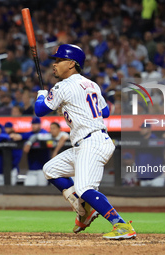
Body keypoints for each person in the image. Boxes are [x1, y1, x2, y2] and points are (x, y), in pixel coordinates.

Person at [34, 44, 136, 239]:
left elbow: (40, 110)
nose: (54, 65)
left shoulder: (63, 86)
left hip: (92, 142)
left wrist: (41, 96)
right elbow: (105, 112)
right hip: (88, 141)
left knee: (84, 188)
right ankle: (85, 209)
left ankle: (121, 225)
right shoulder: (91, 84)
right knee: (51, 169)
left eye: (59, 60)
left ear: (72, 64)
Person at [10, 117, 51, 186]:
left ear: (40, 124)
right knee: (28, 187)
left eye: (36, 124)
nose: (34, 126)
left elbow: (41, 136)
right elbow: (18, 136)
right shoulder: (29, 133)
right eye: (33, 124)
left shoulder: (44, 132)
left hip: (42, 169)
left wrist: (29, 142)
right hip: (31, 169)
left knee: (42, 190)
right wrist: (12, 134)